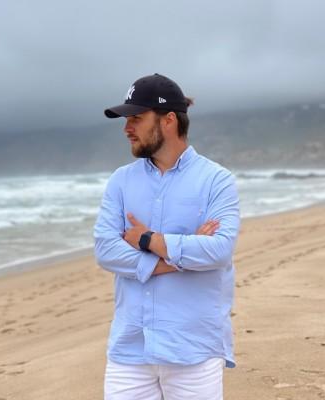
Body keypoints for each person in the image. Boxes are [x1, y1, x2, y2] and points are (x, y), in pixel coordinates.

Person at [94, 73, 240, 400]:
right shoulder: (120, 181)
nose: (126, 128)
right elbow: (106, 251)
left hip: (193, 349)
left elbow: (218, 250)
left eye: (136, 118)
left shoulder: (217, 181)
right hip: (130, 349)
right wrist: (179, 258)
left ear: (169, 120)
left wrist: (147, 240)